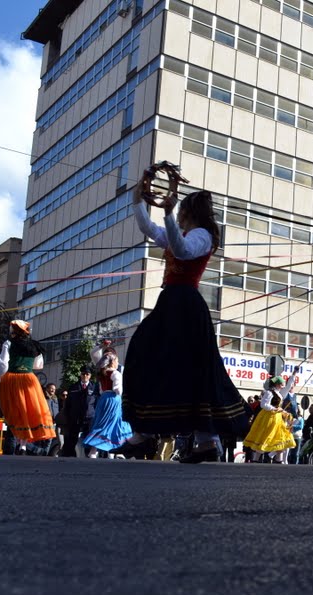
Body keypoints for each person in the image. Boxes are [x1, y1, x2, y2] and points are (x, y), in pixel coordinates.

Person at [123, 179, 250, 461]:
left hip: (185, 304)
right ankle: (145, 434)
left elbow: (182, 251)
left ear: (189, 212)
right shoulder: (181, 232)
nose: (177, 212)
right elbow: (149, 229)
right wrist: (137, 202)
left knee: (188, 369)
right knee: (146, 357)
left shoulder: (202, 235)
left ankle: (204, 442)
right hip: (171, 303)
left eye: (180, 210)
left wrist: (167, 214)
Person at [0, 320, 56, 450]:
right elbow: (38, 365)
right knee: (28, 411)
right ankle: (23, 446)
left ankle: (11, 445)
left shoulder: (9, 343)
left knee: (14, 411)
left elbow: (3, 364)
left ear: (14, 331)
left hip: (12, 379)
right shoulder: (34, 346)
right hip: (29, 379)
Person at [81, 341, 133, 459]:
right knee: (113, 423)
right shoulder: (114, 371)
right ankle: (112, 451)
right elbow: (119, 390)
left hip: (104, 399)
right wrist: (102, 346)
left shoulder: (103, 371)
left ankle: (109, 451)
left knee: (109, 423)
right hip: (114, 400)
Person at [243, 375, 298, 463]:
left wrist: (294, 374)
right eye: (282, 383)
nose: (284, 384)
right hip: (270, 418)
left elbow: (288, 386)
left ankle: (278, 460)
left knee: (280, 438)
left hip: (278, 419)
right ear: (278, 384)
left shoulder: (279, 393)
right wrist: (274, 408)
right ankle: (256, 459)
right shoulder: (269, 393)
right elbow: (263, 404)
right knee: (266, 437)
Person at [61, 369, 99, 458]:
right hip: (75, 417)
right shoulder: (73, 387)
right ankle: (68, 456)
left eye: (87, 374)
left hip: (89, 417)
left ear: (90, 375)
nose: (85, 376)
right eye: (83, 374)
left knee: (89, 438)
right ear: (80, 375)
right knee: (71, 438)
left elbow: (97, 403)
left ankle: (89, 455)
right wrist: (68, 417)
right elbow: (68, 405)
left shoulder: (94, 387)